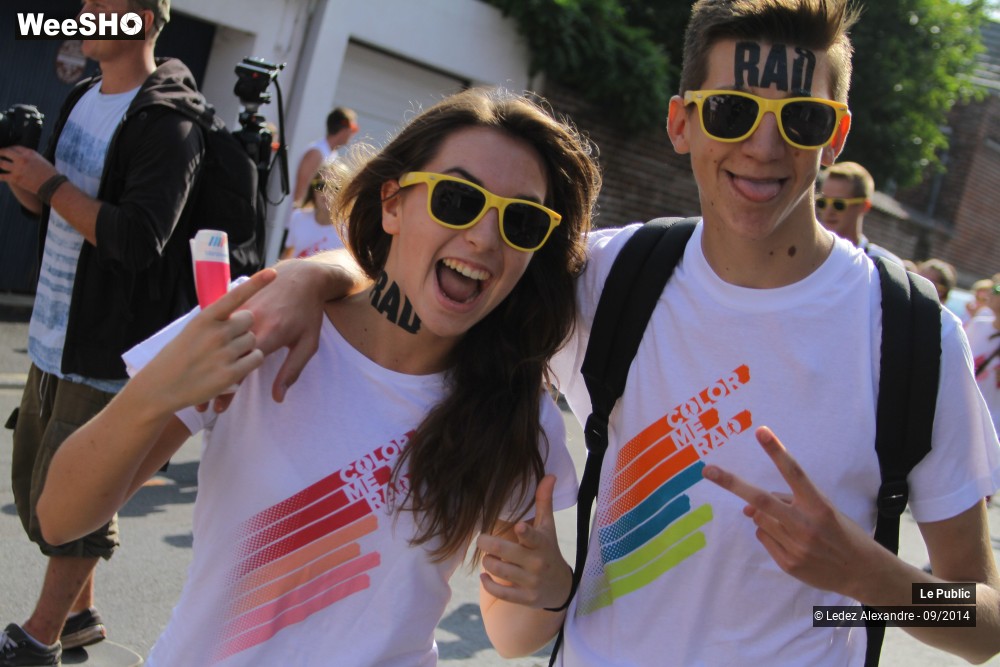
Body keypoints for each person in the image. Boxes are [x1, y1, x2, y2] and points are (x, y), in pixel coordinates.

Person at [246, 2, 1000, 665]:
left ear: (835, 135)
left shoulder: (913, 337)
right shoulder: (610, 278)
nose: (764, 147)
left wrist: (870, 577)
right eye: (731, 111)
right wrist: (312, 276)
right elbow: (443, 261)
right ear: (681, 122)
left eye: (801, 119)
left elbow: (984, 625)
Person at [36, 87, 602, 665]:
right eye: (457, 199)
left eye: (522, 221)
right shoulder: (263, 323)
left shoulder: (515, 410)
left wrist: (550, 588)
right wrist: (156, 391)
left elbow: (511, 635)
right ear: (392, 204)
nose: (484, 237)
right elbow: (60, 518)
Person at [0, 1, 210, 665]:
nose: (84, 14)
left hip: (107, 343)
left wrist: (50, 183)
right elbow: (54, 211)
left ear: (141, 19)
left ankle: (39, 636)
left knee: (76, 493)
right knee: (39, 488)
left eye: (101, 5)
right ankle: (81, 614)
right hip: (53, 328)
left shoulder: (169, 123)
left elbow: (139, 240)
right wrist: (25, 179)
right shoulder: (81, 98)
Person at [817, 160, 905, 265]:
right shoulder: (804, 255)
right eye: (822, 202)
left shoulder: (885, 266)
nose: (828, 211)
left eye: (839, 204)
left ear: (864, 206)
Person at [291, 106, 358, 206]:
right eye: (354, 129)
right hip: (303, 213)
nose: (353, 134)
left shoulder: (331, 154)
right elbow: (300, 192)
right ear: (345, 129)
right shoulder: (316, 153)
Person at [280, 162, 346, 259]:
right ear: (313, 189)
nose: (326, 192)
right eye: (321, 185)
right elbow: (287, 254)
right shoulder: (298, 217)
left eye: (335, 188)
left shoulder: (347, 233)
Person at [966, 274, 1000, 434]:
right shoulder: (978, 325)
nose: (991, 293)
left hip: (993, 430)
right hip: (964, 414)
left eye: (998, 289)